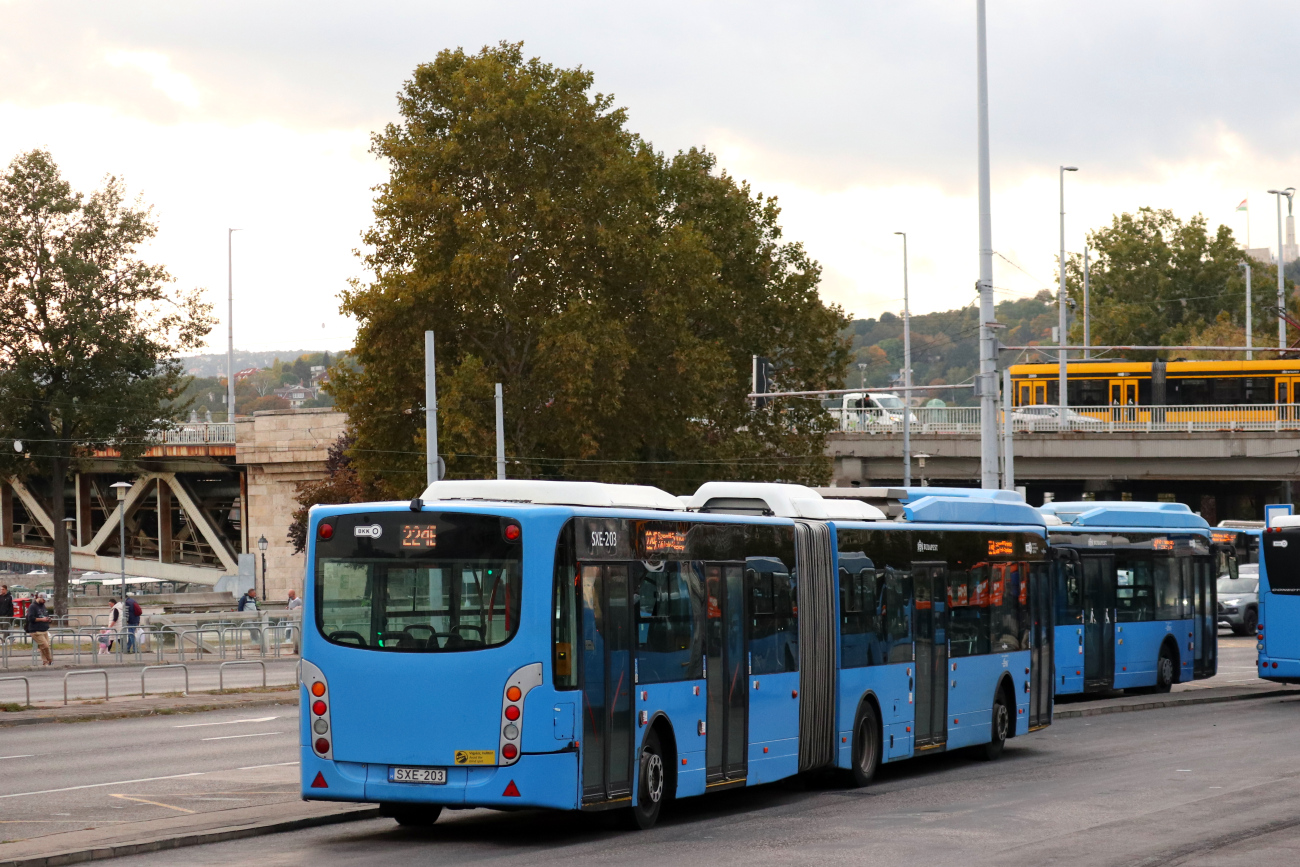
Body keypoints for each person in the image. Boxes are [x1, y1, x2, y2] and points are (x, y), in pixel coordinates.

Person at [25, 591, 52, 665]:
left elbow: (45, 614)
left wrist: (48, 619)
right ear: (39, 597)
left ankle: (45, 661)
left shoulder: (43, 606)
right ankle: (50, 659)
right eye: (43, 600)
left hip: (44, 629)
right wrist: (42, 619)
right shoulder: (32, 606)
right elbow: (31, 618)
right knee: (45, 646)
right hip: (36, 630)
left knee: (44, 646)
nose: (44, 601)